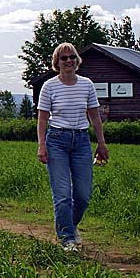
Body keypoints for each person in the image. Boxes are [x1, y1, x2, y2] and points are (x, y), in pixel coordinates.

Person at [36, 42, 108, 252]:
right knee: (62, 194)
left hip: (81, 141)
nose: (68, 61)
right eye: (64, 58)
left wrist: (101, 143)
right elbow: (42, 119)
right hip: (57, 140)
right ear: (57, 62)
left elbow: (95, 116)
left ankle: (70, 225)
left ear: (77, 60)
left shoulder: (87, 85)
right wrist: (42, 145)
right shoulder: (49, 86)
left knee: (83, 195)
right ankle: (67, 239)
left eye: (72, 57)